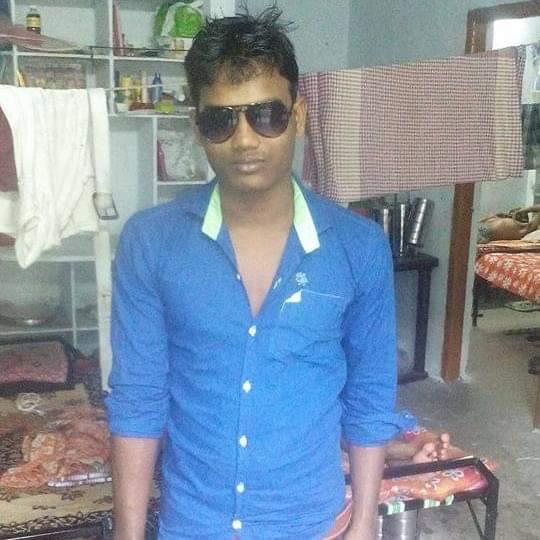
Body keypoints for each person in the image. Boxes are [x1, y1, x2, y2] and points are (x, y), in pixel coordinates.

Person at [106, 7, 404, 539]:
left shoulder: (358, 247)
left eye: (267, 114)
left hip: (312, 523)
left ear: (299, 115)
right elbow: (138, 399)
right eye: (221, 119)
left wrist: (363, 523)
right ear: (197, 127)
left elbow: (370, 396)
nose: (245, 140)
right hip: (194, 524)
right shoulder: (150, 243)